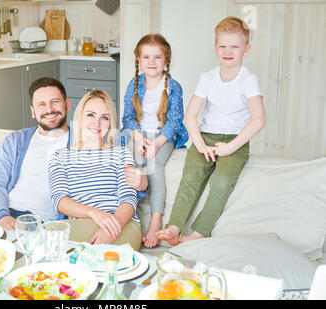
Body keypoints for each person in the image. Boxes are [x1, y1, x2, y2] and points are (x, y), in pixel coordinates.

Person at [0, 77, 147, 230]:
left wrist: (144, 182)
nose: (49, 109)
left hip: (39, 221)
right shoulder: (15, 141)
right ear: (33, 112)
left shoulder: (87, 134)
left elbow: (119, 146)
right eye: (41, 104)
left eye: (55, 102)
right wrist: (2, 218)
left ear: (67, 104)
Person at [156, 16, 266, 246]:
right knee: (190, 179)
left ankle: (200, 232)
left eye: (234, 46)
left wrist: (230, 148)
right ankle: (174, 226)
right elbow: (190, 116)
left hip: (234, 140)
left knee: (222, 182)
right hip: (206, 137)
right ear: (215, 48)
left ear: (246, 49)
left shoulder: (248, 80)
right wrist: (201, 144)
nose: (228, 51)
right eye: (223, 46)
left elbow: (258, 120)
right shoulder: (207, 78)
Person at [48, 89, 142, 251]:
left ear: (110, 123)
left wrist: (110, 228)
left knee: (49, 237)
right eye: (90, 115)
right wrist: (94, 213)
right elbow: (60, 201)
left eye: (104, 118)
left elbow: (129, 199)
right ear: (80, 116)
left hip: (124, 225)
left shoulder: (121, 153)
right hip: (82, 223)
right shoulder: (60, 156)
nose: (97, 124)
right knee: (47, 234)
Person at [121, 34, 188, 248]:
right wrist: (139, 137)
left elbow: (175, 122)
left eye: (157, 57)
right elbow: (128, 118)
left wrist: (156, 143)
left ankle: (156, 218)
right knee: (133, 164)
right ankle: (127, 215)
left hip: (163, 136)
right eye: (146, 57)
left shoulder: (173, 87)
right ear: (139, 60)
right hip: (137, 134)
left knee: (155, 165)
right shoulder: (134, 84)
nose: (151, 62)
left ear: (166, 60)